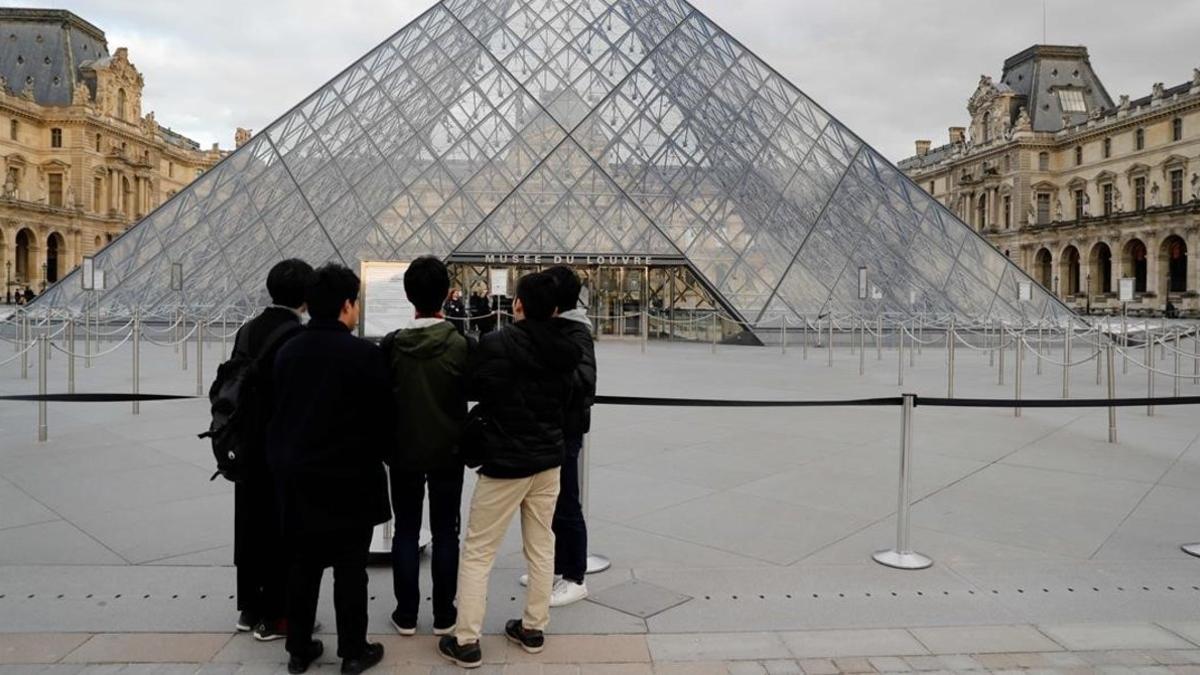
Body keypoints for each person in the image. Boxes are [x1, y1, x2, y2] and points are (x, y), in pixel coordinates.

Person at [439, 273, 582, 669]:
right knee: (540, 546)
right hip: (547, 462)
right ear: (555, 309)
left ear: (517, 304)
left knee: (479, 552)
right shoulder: (567, 349)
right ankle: (534, 628)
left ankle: (466, 639)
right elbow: (568, 400)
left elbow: (478, 389)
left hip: (504, 464)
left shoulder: (495, 343)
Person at [266, 264, 390, 675]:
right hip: (350, 480)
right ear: (346, 306)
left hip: (299, 478)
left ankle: (299, 650)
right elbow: (380, 421)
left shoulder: (287, 351)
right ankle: (354, 652)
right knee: (351, 571)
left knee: (302, 567)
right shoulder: (365, 355)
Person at [380, 257, 470, 637]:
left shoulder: (391, 345)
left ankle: (406, 614)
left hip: (403, 452)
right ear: (448, 295)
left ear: (407, 295)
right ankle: (445, 615)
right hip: (449, 452)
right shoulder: (463, 344)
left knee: (405, 530)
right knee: (446, 533)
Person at [230, 259, 313, 642]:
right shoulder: (297, 336)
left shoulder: (247, 331)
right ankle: (276, 617)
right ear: (306, 297)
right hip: (281, 447)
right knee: (283, 530)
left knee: (249, 524)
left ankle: (249, 607)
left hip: (245, 444)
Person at [543, 266, 598, 607]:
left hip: (566, 428)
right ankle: (560, 568)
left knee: (566, 503)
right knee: (552, 503)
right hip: (555, 427)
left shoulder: (575, 332)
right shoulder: (564, 328)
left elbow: (585, 383)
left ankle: (575, 577)